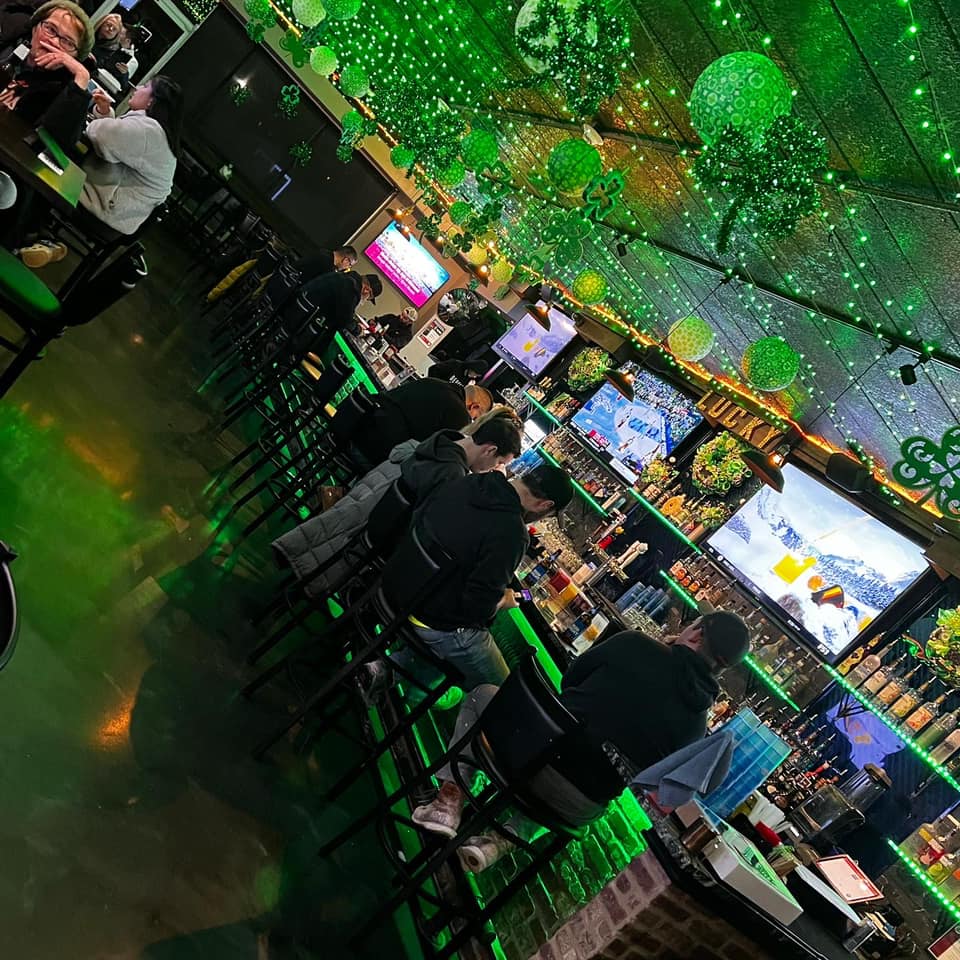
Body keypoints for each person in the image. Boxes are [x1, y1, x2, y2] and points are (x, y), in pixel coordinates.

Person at [411, 610, 750, 872]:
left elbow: (570, 679)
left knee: (483, 694)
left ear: (697, 633)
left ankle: (447, 805)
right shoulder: (697, 726)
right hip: (578, 807)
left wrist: (658, 647)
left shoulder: (637, 644)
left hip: (532, 754)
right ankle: (497, 842)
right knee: (575, 782)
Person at [368, 464, 574, 701]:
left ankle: (384, 672)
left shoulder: (470, 482)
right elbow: (477, 607)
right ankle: (410, 696)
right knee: (505, 692)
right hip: (431, 617)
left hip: (397, 583)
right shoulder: (513, 533)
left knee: (448, 656)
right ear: (545, 505)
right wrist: (503, 601)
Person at [270, 406, 523, 595]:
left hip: (359, 515)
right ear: (490, 449)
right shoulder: (451, 474)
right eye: (499, 463)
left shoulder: (440, 442)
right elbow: (423, 530)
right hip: (371, 541)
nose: (494, 469)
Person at [0, 0, 94, 147]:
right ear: (35, 27)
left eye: (68, 42)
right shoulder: (9, 39)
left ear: (75, 57)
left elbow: (59, 142)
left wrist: (82, 76)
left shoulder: (65, 90)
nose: (54, 42)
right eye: (50, 29)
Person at [351, 378, 493, 467]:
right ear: (474, 406)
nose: (472, 420)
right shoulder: (459, 415)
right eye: (476, 417)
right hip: (375, 450)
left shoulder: (434, 382)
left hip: (357, 424)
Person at [294, 268, 382, 357]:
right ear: (366, 290)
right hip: (304, 330)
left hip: (298, 312)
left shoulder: (344, 276)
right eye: (368, 298)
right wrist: (359, 330)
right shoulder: (352, 290)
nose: (365, 301)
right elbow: (345, 320)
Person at [89, 12, 135, 85]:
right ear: (101, 23)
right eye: (108, 25)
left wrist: (124, 74)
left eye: (114, 29)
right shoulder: (88, 35)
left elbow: (123, 85)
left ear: (116, 35)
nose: (110, 29)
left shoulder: (112, 52)